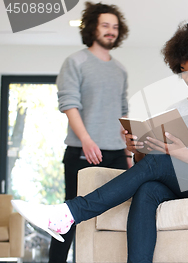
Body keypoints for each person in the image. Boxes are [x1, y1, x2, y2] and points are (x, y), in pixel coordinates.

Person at [13, 19, 188, 263]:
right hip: (184, 182)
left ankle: (70, 213)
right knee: (147, 189)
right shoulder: (179, 109)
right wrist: (137, 149)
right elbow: (152, 161)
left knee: (160, 164)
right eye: (183, 71)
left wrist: (186, 155)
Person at [51, 2, 131, 262]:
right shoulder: (75, 62)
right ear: (93, 28)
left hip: (117, 154)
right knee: (69, 216)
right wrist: (86, 140)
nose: (111, 31)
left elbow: (122, 113)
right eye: (105, 25)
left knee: (117, 213)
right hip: (82, 151)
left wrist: (129, 153)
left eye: (115, 27)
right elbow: (69, 104)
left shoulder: (120, 69)